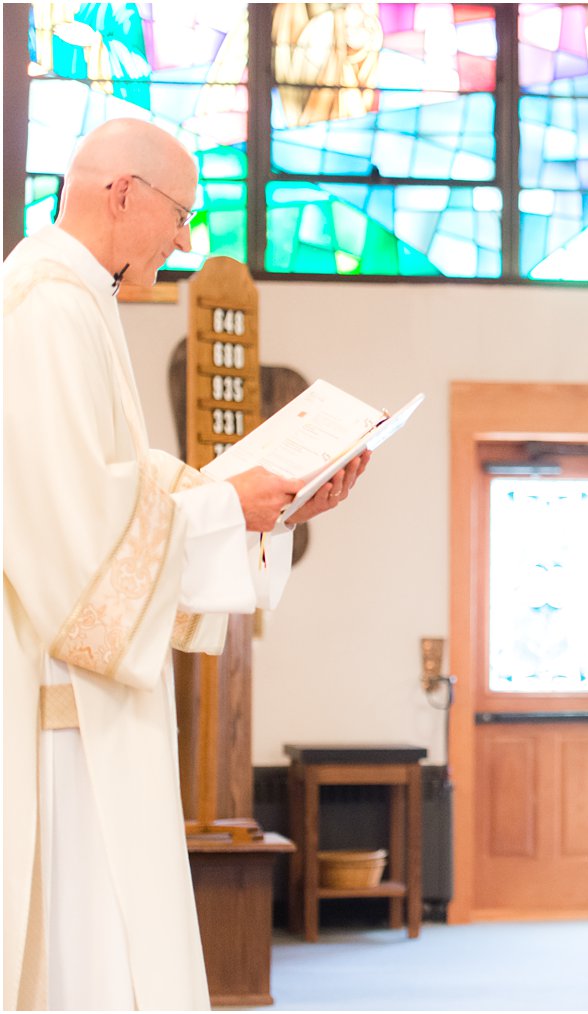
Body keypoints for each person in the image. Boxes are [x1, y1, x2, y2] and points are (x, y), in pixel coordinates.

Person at [3, 118, 367, 1010]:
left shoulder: (74, 300)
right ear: (120, 192)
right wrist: (221, 506)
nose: (183, 239)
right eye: (178, 214)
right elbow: (66, 527)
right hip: (57, 717)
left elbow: (117, 490)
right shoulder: (45, 305)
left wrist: (260, 505)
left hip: (80, 711)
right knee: (82, 947)